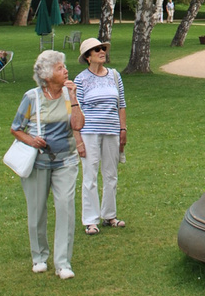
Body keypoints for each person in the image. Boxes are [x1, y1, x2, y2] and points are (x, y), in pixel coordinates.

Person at [9, 51, 84, 278]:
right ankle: (39, 256)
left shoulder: (69, 96)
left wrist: (74, 98)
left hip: (66, 161)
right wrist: (32, 140)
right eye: (61, 68)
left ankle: (63, 263)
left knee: (65, 209)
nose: (66, 71)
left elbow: (78, 125)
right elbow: (16, 128)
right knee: (37, 211)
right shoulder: (31, 97)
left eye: (64, 67)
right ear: (47, 74)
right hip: (38, 163)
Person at [74, 38, 127, 235]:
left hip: (112, 130)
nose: (102, 51)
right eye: (96, 50)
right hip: (90, 132)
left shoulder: (114, 76)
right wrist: (78, 138)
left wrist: (123, 129)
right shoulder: (80, 80)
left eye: (102, 48)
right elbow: (76, 111)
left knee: (111, 174)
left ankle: (109, 215)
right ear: (88, 57)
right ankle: (90, 220)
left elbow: (121, 104)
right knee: (90, 175)